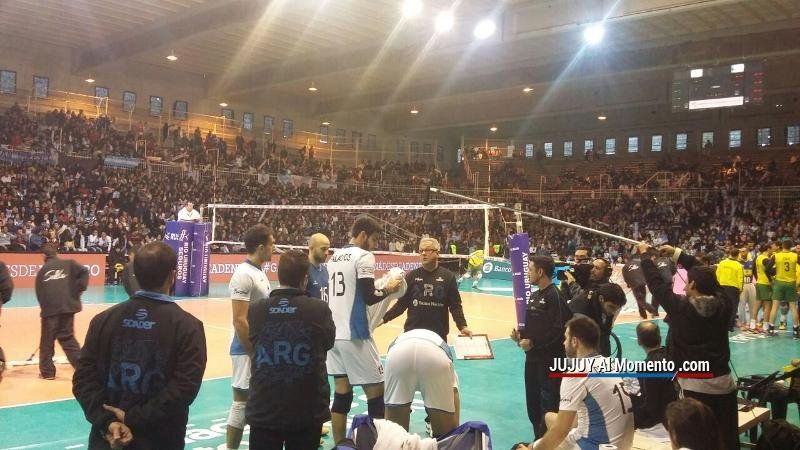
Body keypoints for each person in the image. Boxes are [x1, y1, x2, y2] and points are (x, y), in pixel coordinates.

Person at [73, 242, 207, 449]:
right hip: (160, 440)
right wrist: (131, 418)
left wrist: (108, 422)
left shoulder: (102, 321)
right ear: (172, 276)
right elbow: (183, 389)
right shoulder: (189, 327)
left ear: (134, 273)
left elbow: (83, 379)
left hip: (107, 439)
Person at [638, 243, 738, 450]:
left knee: (698, 441)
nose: (684, 288)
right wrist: (678, 254)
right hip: (724, 382)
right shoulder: (725, 303)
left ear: (692, 284)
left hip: (695, 386)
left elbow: (656, 285)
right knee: (727, 438)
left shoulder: (682, 308)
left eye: (687, 283)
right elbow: (707, 275)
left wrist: (645, 257)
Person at [246, 250, 335, 449]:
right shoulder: (319, 309)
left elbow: (253, 343)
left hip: (264, 407)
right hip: (307, 408)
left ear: (279, 276)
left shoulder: (256, 310)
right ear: (305, 279)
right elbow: (328, 343)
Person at [326, 215, 402, 444]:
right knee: (376, 390)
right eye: (374, 239)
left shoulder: (334, 257)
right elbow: (370, 296)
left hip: (333, 335)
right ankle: (378, 445)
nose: (375, 244)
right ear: (362, 235)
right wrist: (389, 288)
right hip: (355, 334)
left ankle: (340, 445)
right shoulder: (364, 256)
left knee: (342, 392)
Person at [530, 316, 634, 449]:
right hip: (623, 443)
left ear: (574, 341)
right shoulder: (610, 363)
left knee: (526, 447)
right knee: (549, 418)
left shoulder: (577, 373)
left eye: (566, 338)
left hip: (597, 445)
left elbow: (561, 430)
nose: (564, 343)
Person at [511, 255, 570, 440]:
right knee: (533, 405)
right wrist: (520, 336)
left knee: (548, 406)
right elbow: (532, 328)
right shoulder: (535, 296)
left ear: (540, 271)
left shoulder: (555, 296)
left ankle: (547, 443)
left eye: (530, 269)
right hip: (532, 360)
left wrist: (534, 343)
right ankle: (538, 440)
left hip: (549, 363)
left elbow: (559, 331)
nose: (528, 273)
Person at [226, 225, 274, 450]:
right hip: (245, 349)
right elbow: (239, 320)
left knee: (257, 403)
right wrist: (253, 353)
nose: (274, 248)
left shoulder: (258, 271)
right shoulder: (243, 274)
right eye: (271, 244)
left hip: (258, 348)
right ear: (261, 247)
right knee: (241, 403)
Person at [382, 237, 472, 339]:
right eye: (421, 250)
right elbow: (401, 305)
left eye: (428, 250)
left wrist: (462, 326)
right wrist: (383, 319)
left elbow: (455, 306)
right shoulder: (411, 276)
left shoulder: (448, 277)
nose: (423, 253)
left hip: (438, 336)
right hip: (412, 334)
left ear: (437, 253)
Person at [384, 328, 460, 437]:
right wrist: (454, 431)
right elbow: (454, 391)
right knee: (445, 437)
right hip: (435, 356)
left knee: (395, 436)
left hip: (397, 354)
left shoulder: (400, 339)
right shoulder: (441, 346)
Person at [35, 243, 88, 380]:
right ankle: (83, 370)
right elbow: (84, 272)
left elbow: (40, 293)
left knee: (47, 341)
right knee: (68, 338)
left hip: (50, 311)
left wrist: (45, 309)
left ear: (43, 255)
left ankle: (47, 372)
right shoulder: (70, 264)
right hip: (68, 307)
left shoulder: (42, 271)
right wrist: (77, 290)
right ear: (56, 253)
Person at [632, 321, 677, 429]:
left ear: (639, 342)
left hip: (660, 415)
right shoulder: (672, 355)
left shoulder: (646, 367)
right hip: (675, 406)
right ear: (660, 338)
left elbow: (651, 404)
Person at [567, 282, 627, 357]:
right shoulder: (581, 312)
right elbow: (579, 345)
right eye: (612, 307)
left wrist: (605, 357)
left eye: (617, 309)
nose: (613, 312)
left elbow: (605, 334)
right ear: (601, 298)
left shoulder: (605, 303)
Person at [768, 238, 798, 338]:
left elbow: (767, 269)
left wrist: (774, 274)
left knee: (775, 306)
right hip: (791, 283)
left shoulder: (776, 256)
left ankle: (771, 329)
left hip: (779, 283)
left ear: (782, 246)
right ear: (791, 246)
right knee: (793, 307)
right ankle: (796, 331)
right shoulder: (795, 256)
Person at [715, 246, 743, 330]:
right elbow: (740, 279)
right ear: (737, 255)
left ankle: (720, 324)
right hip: (733, 288)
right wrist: (740, 289)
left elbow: (717, 275)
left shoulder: (722, 263)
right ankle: (730, 326)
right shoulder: (739, 265)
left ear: (730, 254)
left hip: (722, 286)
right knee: (733, 307)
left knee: (721, 305)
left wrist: (717, 286)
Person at [754, 242, 777, 332]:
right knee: (768, 305)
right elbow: (770, 271)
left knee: (757, 304)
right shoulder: (765, 259)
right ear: (768, 249)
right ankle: (766, 326)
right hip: (765, 283)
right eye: (771, 249)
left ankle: (753, 324)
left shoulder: (758, 257)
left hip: (759, 282)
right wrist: (778, 267)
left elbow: (755, 270)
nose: (772, 250)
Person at [306, 233, 330, 302]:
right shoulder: (303, 270)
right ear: (311, 248)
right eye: (323, 249)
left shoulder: (326, 270)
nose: (327, 253)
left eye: (328, 249)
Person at [738, 246, 757, 331]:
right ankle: (742, 323)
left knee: (753, 304)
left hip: (750, 284)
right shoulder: (737, 262)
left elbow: (755, 273)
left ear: (747, 252)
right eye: (741, 251)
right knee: (741, 305)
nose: (742, 253)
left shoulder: (752, 262)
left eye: (744, 251)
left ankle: (752, 323)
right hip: (742, 284)